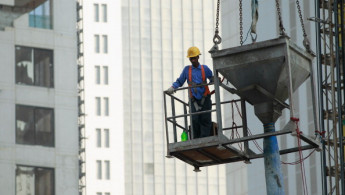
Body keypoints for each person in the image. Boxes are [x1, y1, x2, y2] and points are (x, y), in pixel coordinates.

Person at [166, 46, 213, 139]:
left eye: (194, 58)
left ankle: (204, 139)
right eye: (191, 58)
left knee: (205, 119)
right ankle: (196, 139)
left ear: (198, 57)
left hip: (205, 98)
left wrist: (215, 80)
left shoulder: (205, 69)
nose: (193, 60)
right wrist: (173, 87)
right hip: (193, 99)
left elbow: (211, 78)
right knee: (194, 120)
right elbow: (180, 81)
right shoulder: (187, 70)